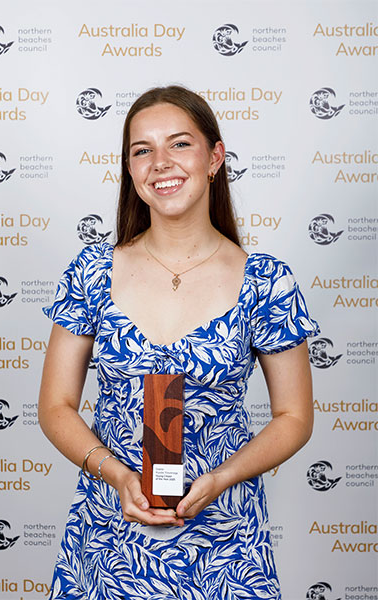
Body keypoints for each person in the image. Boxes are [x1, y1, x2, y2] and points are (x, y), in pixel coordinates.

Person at [39, 85, 319, 600]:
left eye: (179, 144)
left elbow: (295, 417)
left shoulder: (266, 281)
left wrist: (223, 478)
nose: (160, 163)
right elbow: (55, 406)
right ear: (129, 169)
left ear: (215, 158)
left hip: (226, 542)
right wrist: (117, 476)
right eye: (142, 150)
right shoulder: (92, 272)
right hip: (109, 534)